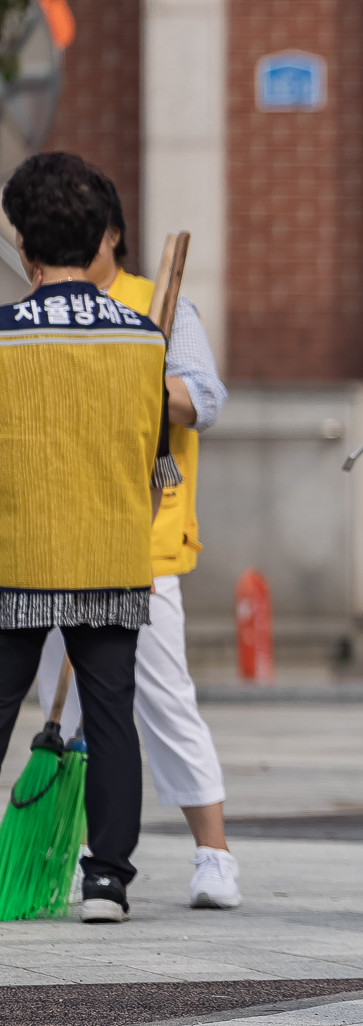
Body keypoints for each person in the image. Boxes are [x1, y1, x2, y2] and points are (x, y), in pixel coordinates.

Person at [29, 186, 243, 909]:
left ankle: (213, 853)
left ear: (111, 236)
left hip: (141, 537)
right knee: (68, 703)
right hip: (52, 540)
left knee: (158, 697)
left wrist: (136, 370)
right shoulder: (43, 310)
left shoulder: (162, 306)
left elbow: (204, 399)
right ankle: (91, 856)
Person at [0, 153, 168, 923]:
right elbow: (154, 457)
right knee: (110, 713)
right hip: (111, 548)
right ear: (104, 238)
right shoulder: (144, 339)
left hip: (16, 549)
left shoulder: (3, 337)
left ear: (22, 246)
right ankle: (106, 878)